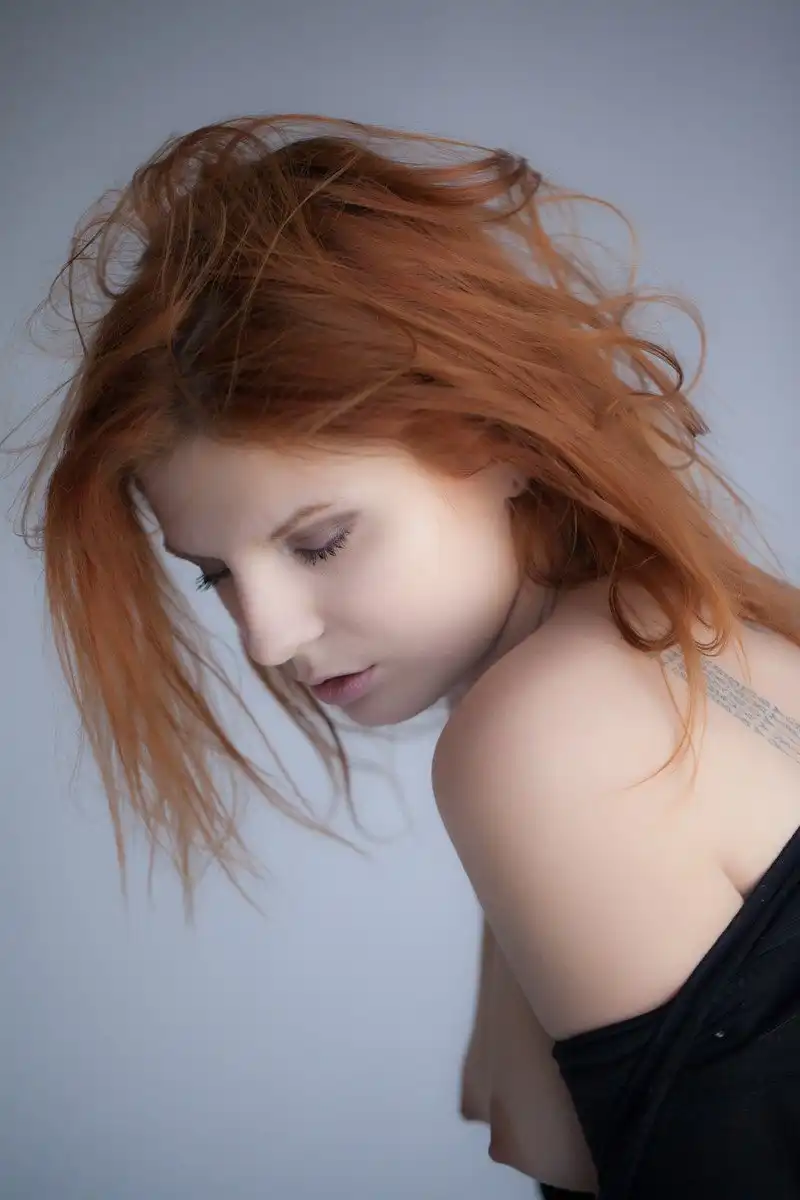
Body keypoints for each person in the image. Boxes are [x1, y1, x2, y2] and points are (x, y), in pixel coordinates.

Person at [17, 114, 800, 1198]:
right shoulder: (682, 631)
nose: (266, 637)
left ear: (504, 441)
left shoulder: (549, 734)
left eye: (319, 543)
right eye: (214, 574)